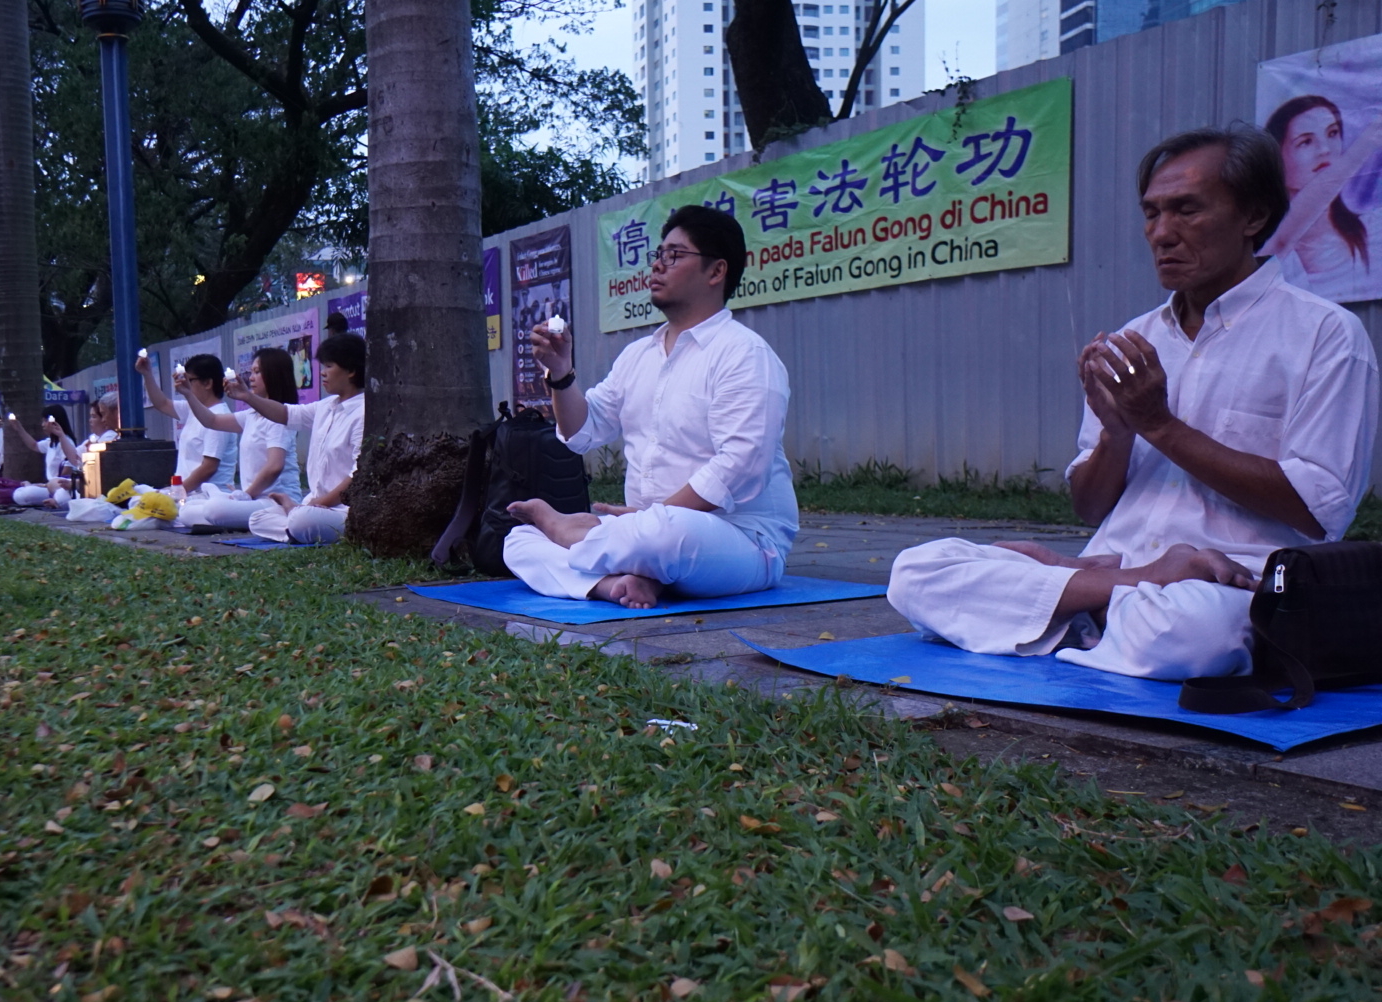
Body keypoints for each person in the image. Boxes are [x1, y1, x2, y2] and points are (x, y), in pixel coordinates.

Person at [888, 126, 1379, 681]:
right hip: (1113, 568)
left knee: (1187, 633)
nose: (1162, 233)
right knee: (917, 570)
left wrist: (1160, 426)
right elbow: (1089, 509)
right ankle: (1108, 598)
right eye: (1151, 213)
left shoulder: (1324, 336)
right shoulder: (1136, 339)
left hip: (1225, 584)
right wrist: (1116, 436)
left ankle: (1073, 611)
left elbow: (1317, 511)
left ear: (1254, 216)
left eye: (1187, 210)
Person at [502, 204, 798, 609]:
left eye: (674, 255)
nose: (657, 265)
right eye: (658, 254)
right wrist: (561, 371)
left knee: (666, 534)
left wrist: (641, 521)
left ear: (716, 271)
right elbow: (580, 432)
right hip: (642, 530)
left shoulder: (745, 354)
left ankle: (587, 540)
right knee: (519, 540)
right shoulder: (638, 356)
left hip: (740, 539)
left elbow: (740, 467)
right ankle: (615, 584)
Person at [238, 333, 366, 544]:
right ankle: (297, 526)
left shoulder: (363, 411)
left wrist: (318, 505)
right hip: (312, 507)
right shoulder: (326, 406)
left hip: (343, 510)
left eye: (329, 366)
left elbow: (358, 474)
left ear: (351, 371)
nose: (322, 373)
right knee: (257, 519)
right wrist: (248, 397)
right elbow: (286, 414)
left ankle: (299, 524)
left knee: (302, 519)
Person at [1265, 95, 1382, 299]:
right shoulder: (1266, 246)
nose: (1325, 150)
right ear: (1276, 160)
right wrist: (1365, 144)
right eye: (1306, 142)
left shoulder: (1374, 230)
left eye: (1332, 133)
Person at [175, 347, 304, 529]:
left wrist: (246, 495)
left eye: (257, 372)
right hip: (253, 499)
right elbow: (211, 420)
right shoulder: (251, 415)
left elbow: (275, 466)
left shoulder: (278, 417)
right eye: (251, 372)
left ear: (274, 375)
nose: (251, 378)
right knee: (187, 510)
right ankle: (227, 506)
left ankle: (240, 511)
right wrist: (189, 393)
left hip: (275, 501)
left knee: (214, 510)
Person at [136, 352, 237, 493]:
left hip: (208, 497)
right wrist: (147, 374)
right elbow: (162, 404)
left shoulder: (220, 417)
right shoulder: (194, 408)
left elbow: (208, 468)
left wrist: (174, 493)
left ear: (207, 383)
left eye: (189, 380)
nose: (184, 384)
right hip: (187, 494)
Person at [3, 404, 82, 508]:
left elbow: (68, 470)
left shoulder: (66, 442)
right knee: (20, 493)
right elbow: (34, 445)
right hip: (50, 486)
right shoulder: (51, 442)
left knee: (24, 494)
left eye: (45, 421)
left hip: (60, 487)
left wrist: (46, 485)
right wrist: (19, 428)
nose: (43, 424)